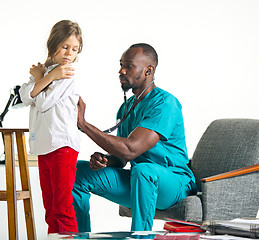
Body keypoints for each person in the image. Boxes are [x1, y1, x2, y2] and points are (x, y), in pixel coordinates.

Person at [73, 43, 197, 232]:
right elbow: (122, 157)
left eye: (129, 65)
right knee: (77, 172)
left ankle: (140, 237)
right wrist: (107, 160)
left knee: (144, 171)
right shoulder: (126, 107)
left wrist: (84, 125)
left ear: (149, 70)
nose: (121, 70)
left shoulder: (165, 103)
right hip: (140, 180)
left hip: (174, 183)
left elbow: (131, 149)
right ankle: (80, 236)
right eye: (121, 64)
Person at [19, 20, 83, 234]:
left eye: (74, 49)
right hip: (44, 147)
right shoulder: (44, 72)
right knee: (50, 209)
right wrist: (45, 77)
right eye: (65, 47)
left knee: (62, 208)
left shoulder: (67, 75)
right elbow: (25, 95)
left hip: (62, 145)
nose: (69, 54)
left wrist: (46, 78)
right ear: (53, 44)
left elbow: (44, 103)